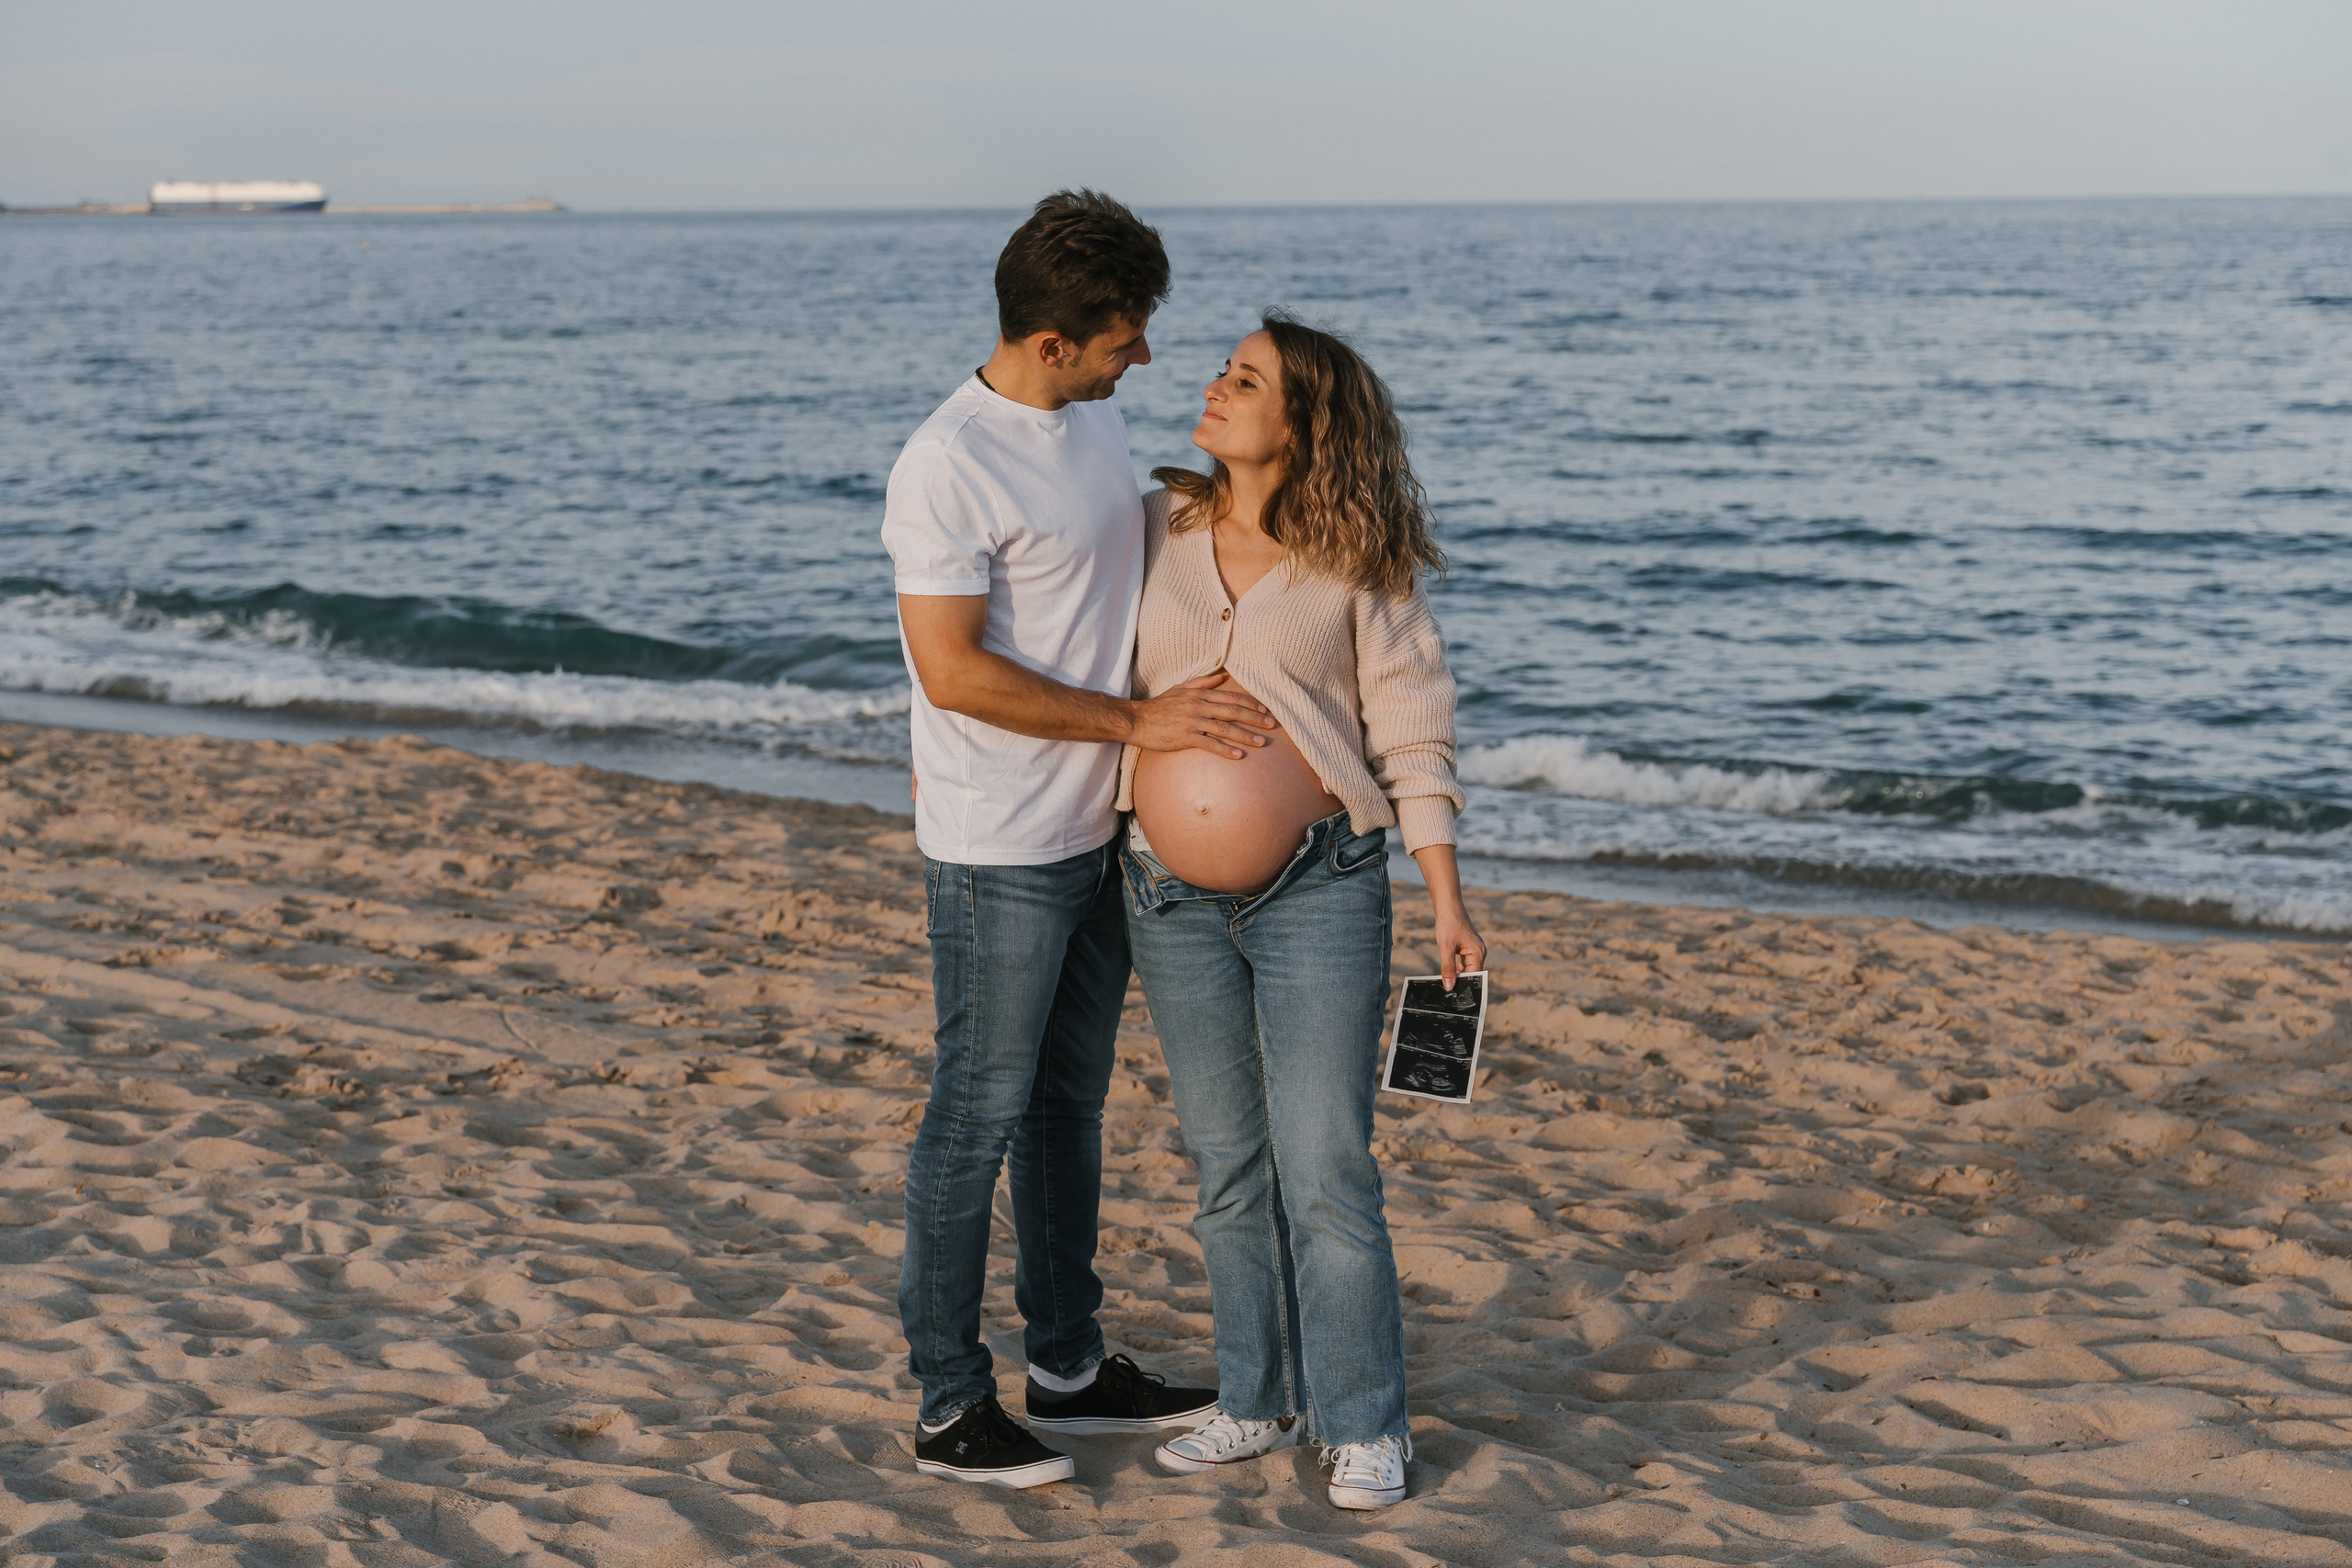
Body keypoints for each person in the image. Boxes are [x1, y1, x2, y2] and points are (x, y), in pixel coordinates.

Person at [882, 191, 1279, 1490]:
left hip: (1103, 822)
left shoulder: (1090, 418)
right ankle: (950, 1405)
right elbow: (952, 671)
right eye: (1123, 338)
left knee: (1068, 1108)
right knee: (974, 1117)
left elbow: (1109, 555)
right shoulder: (947, 462)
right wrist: (1138, 720)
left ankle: (1069, 1363)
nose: (1143, 360)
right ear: (1051, 341)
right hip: (1000, 844)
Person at [1114, 312, 1486, 1510]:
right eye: (1225, 371)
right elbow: (1084, 675)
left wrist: (1446, 898)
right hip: (1163, 893)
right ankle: (1255, 1395)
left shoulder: (1357, 565)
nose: (1216, 388)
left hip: (1320, 890)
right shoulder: (1149, 532)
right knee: (1228, 1166)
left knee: (1327, 1166)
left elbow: (1411, 728)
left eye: (1247, 379)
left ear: (1303, 421)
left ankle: (1365, 1419)